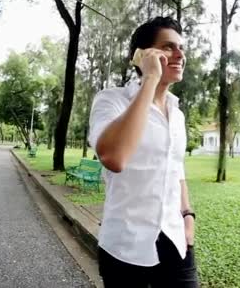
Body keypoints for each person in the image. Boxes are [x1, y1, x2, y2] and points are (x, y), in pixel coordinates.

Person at [88, 16, 198, 287]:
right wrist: (150, 79)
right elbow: (114, 157)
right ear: (143, 54)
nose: (180, 55)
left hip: (175, 240)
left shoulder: (177, 114)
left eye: (182, 48)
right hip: (126, 247)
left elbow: (175, 168)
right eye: (169, 47)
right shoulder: (111, 101)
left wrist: (188, 216)